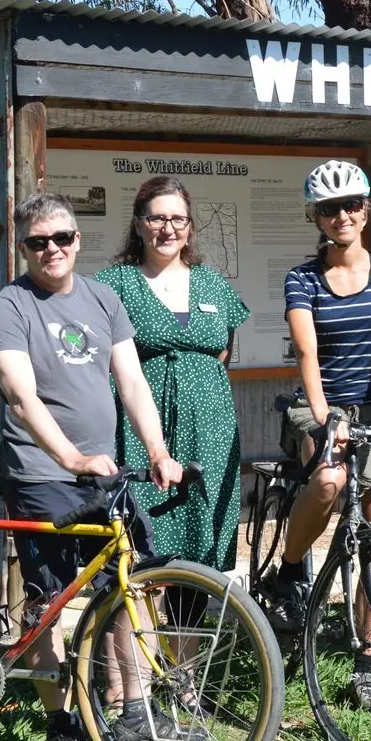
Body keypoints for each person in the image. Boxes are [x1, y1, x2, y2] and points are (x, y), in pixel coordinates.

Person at [0, 191, 185, 741]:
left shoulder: (103, 298)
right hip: (42, 471)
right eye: (38, 242)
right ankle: (61, 725)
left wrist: (158, 451)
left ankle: (136, 711)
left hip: (103, 472)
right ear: (23, 247)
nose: (52, 250)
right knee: (49, 600)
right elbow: (21, 398)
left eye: (62, 238)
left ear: (78, 240)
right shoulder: (10, 306)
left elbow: (132, 383)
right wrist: (71, 458)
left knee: (131, 581)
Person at [257, 159, 371, 713]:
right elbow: (307, 352)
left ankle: (366, 662)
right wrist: (327, 418)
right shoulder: (303, 278)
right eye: (330, 208)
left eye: (351, 205)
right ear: (316, 217)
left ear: (366, 210)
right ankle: (288, 577)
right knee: (326, 481)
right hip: (323, 404)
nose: (342, 216)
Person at [96, 176, 251, 573]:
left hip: (209, 429)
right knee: (140, 542)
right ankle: (135, 633)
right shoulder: (114, 285)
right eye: (157, 218)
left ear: (190, 227)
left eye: (179, 220)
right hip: (138, 429)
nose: (168, 229)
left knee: (200, 543)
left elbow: (222, 352)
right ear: (137, 225)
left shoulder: (213, 283)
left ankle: (190, 635)